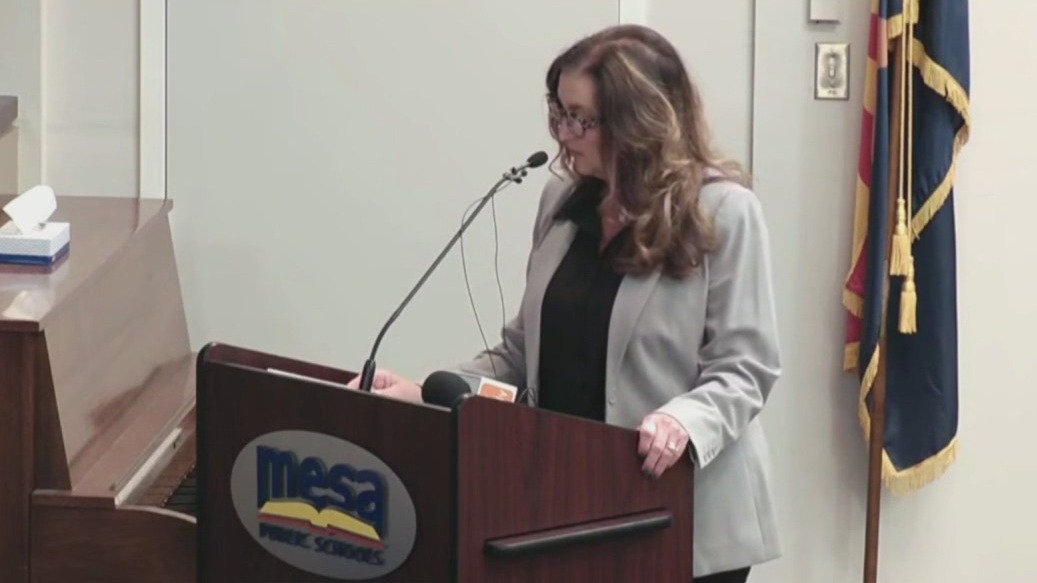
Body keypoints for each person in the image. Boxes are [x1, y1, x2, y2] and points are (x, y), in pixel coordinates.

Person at [350, 24, 781, 583]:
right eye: (559, 113)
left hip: (684, 518)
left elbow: (746, 367)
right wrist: (425, 393)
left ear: (640, 121)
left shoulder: (722, 212)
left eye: (582, 119)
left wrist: (684, 420)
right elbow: (521, 354)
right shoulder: (562, 202)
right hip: (569, 507)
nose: (564, 134)